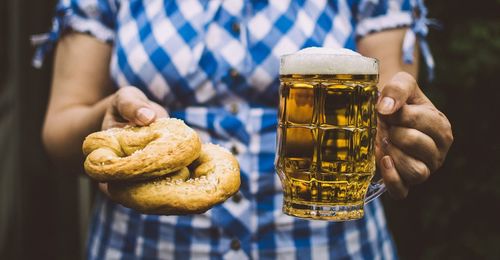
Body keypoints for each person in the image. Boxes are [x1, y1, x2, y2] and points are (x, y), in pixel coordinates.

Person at [35, 0, 453, 259]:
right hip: (144, 249)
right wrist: (109, 120)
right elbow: (60, 129)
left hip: (331, 247)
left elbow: (388, 110)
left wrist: (401, 138)